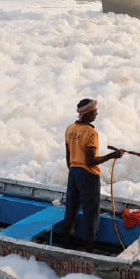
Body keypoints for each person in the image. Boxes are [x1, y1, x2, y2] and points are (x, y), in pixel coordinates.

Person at [54, 98, 124, 251]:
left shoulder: (70, 129)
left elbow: (68, 155)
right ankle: (90, 248)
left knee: (71, 208)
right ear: (86, 114)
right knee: (90, 211)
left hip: (73, 171)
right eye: (94, 111)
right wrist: (113, 155)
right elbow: (91, 161)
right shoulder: (91, 133)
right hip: (88, 175)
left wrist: (73, 170)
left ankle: (65, 242)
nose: (97, 113)